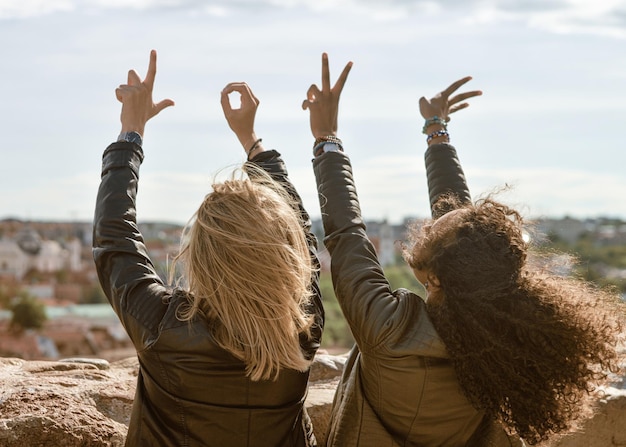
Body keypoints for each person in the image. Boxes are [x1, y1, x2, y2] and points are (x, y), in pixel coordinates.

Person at [305, 53, 625, 446]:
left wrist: (326, 139)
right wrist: (436, 132)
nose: (437, 220)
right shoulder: (500, 338)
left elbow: (347, 234)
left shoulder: (388, 329)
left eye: (436, 231)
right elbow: (466, 236)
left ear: (436, 276)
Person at [93, 50, 323, 447]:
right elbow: (301, 239)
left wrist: (131, 132)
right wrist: (254, 142)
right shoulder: (302, 326)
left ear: (200, 254)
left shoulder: (162, 326)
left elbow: (114, 237)